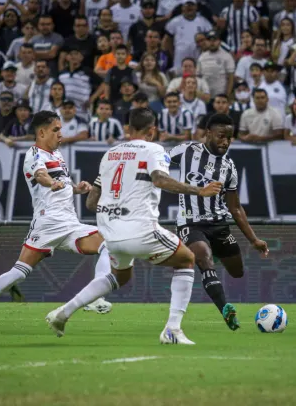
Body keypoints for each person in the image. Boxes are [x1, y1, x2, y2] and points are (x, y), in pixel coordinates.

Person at [45, 108, 223, 344]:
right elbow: (160, 179)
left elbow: (91, 202)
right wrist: (198, 190)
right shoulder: (154, 149)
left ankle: (62, 313)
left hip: (110, 233)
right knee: (187, 259)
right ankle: (172, 330)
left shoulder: (110, 153)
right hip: (140, 229)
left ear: (128, 129)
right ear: (152, 130)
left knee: (121, 275)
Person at [0, 110, 115, 333]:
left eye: (60, 130)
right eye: (56, 130)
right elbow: (41, 176)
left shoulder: (57, 155)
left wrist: (76, 189)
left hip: (70, 223)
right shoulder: (34, 154)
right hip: (48, 224)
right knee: (19, 272)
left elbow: (59, 183)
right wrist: (50, 183)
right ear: (42, 132)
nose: (60, 135)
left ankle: (95, 298)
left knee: (109, 242)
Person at [172, 115, 271, 329]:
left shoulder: (229, 167)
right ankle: (225, 309)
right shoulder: (186, 151)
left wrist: (254, 240)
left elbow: (235, 207)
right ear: (208, 133)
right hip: (191, 223)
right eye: (221, 136)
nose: (225, 142)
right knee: (204, 260)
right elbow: (157, 164)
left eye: (229, 138)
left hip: (219, 225)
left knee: (237, 272)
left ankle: (209, 250)